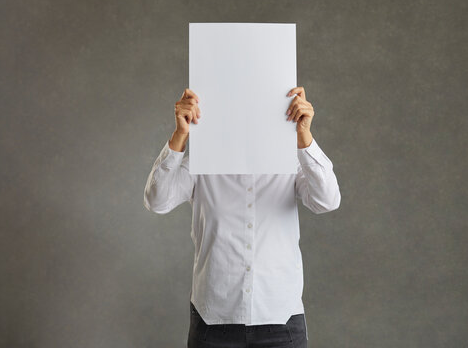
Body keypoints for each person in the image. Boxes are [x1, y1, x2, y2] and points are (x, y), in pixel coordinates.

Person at [144, 87, 341, 347]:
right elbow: (157, 201)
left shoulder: (292, 161)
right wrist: (180, 136)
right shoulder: (202, 162)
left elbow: (327, 200)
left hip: (280, 320)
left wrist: (304, 136)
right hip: (213, 322)